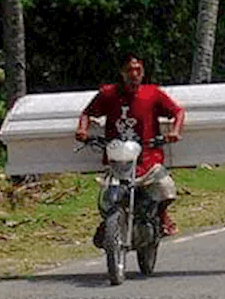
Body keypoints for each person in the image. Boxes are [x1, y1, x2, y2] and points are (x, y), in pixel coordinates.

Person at [76, 54, 185, 246]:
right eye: (129, 71)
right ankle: (108, 224)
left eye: (138, 71)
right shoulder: (108, 94)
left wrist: (175, 132)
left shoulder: (153, 93)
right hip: (117, 159)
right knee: (109, 194)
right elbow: (87, 112)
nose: (134, 75)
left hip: (148, 158)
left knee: (166, 189)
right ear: (122, 73)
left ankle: (161, 217)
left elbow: (178, 112)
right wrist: (82, 129)